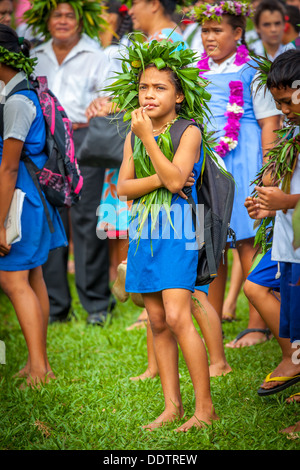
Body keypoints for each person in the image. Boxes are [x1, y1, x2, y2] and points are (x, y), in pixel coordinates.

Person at [107, 38, 219, 431]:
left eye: (160, 87)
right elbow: (123, 187)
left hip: (179, 227)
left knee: (176, 314)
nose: (149, 94)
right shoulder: (133, 131)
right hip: (144, 229)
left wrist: (152, 146)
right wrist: (161, 175)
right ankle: (172, 406)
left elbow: (176, 185)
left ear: (180, 94)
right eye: (143, 87)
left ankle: (204, 408)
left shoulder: (189, 131)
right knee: (155, 319)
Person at [194, 1, 282, 347]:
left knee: (248, 240)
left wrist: (267, 172)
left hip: (242, 157)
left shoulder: (252, 71)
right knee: (212, 244)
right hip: (208, 162)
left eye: (217, 31)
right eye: (205, 31)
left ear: (237, 34)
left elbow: (269, 123)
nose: (209, 37)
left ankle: (256, 325)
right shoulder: (197, 71)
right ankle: (212, 325)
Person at [26, 0, 114, 325]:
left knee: (87, 219)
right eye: (57, 15)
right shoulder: (34, 54)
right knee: (51, 218)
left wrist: (104, 103)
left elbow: (111, 97)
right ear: (46, 21)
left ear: (80, 20)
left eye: (69, 15)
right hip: (43, 143)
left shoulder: (97, 55)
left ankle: (95, 305)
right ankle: (56, 304)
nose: (63, 21)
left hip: (83, 138)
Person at [0, 25, 67, 387]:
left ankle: (40, 368)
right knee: (33, 275)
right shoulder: (24, 91)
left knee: (12, 279)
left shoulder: (16, 102)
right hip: (31, 198)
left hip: (21, 200)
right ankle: (35, 361)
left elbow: (9, 165)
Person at [244, 49, 300, 432]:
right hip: (287, 244)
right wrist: (269, 206)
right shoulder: (293, 131)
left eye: (286, 101)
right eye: (277, 103)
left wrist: (288, 201)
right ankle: (294, 362)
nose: (282, 110)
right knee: (255, 285)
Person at [86, 1, 133, 284]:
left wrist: (110, 104)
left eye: (104, 12)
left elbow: (125, 96)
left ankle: (129, 281)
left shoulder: (120, 51)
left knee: (126, 217)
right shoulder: (105, 49)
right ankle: (119, 281)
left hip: (127, 141)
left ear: (117, 16)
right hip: (114, 147)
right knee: (115, 218)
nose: (100, 18)